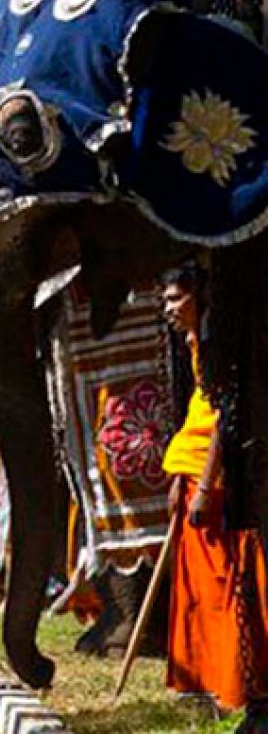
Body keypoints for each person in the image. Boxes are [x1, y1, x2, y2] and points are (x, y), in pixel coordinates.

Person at [161, 263, 268, 730]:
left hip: (221, 483)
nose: (168, 309)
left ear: (201, 296)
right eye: (164, 300)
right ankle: (219, 684)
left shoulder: (219, 339)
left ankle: (242, 685)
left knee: (233, 590)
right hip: (193, 473)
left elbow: (226, 415)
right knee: (204, 594)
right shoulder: (193, 343)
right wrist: (179, 474)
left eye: (175, 299)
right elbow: (199, 411)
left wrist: (204, 486)